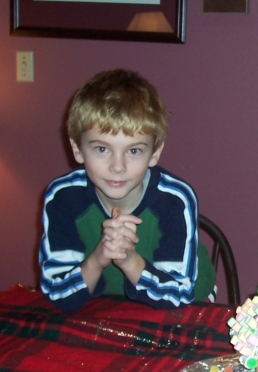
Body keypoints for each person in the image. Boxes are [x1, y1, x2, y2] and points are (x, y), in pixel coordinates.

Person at [39, 69, 216, 313]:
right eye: (102, 149)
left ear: (154, 153)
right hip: (105, 309)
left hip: (185, 306)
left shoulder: (175, 200)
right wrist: (99, 258)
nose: (117, 167)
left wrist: (129, 261)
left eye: (133, 151)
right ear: (77, 149)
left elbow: (180, 295)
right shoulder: (62, 197)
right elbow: (58, 294)